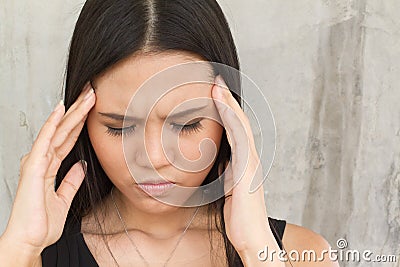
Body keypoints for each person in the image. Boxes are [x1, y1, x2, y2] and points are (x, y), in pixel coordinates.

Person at [0, 0, 340, 266]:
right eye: (119, 127)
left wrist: (255, 251)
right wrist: (19, 248)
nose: (152, 158)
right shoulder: (35, 256)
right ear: (82, 121)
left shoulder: (300, 254)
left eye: (186, 124)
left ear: (228, 119)